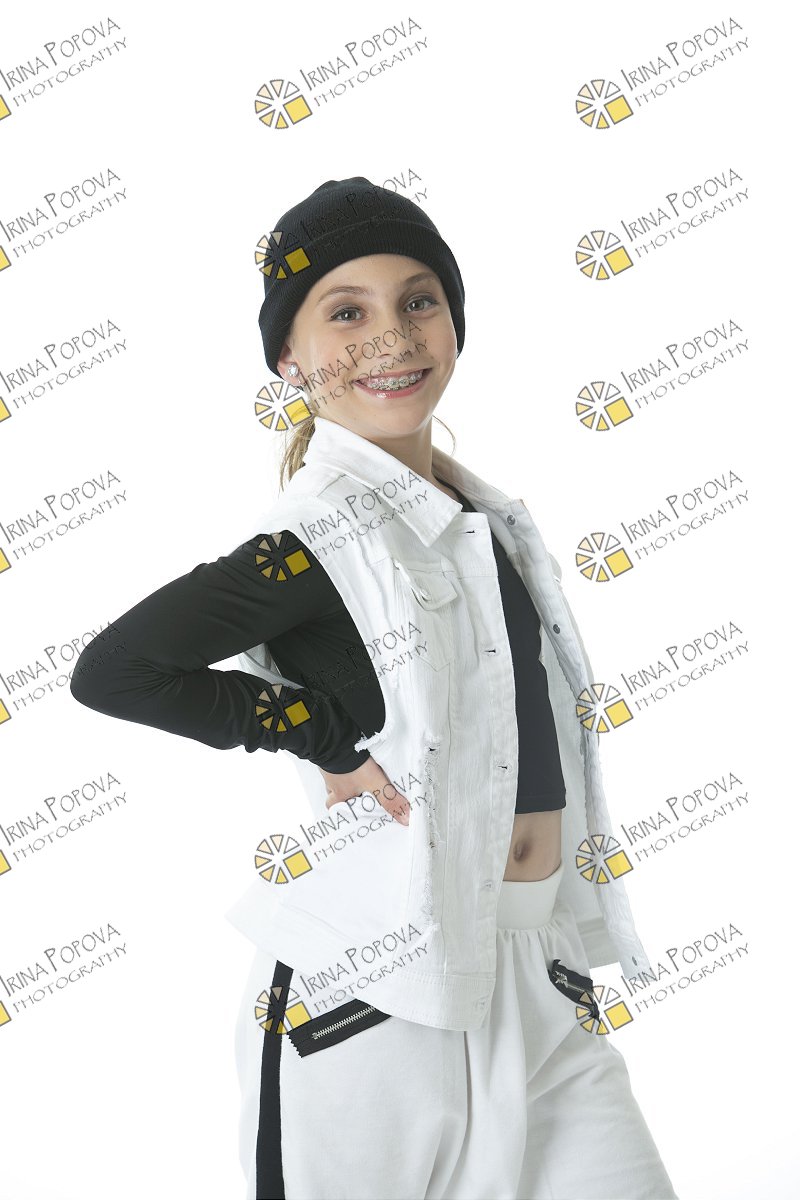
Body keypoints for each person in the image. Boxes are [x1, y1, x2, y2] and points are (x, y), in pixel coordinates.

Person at [70, 177, 679, 1200]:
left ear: (453, 324)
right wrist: (317, 736)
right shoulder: (315, 536)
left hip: (535, 976)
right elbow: (116, 670)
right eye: (346, 313)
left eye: (418, 300)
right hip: (371, 996)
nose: (391, 336)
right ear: (290, 359)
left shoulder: (484, 521)